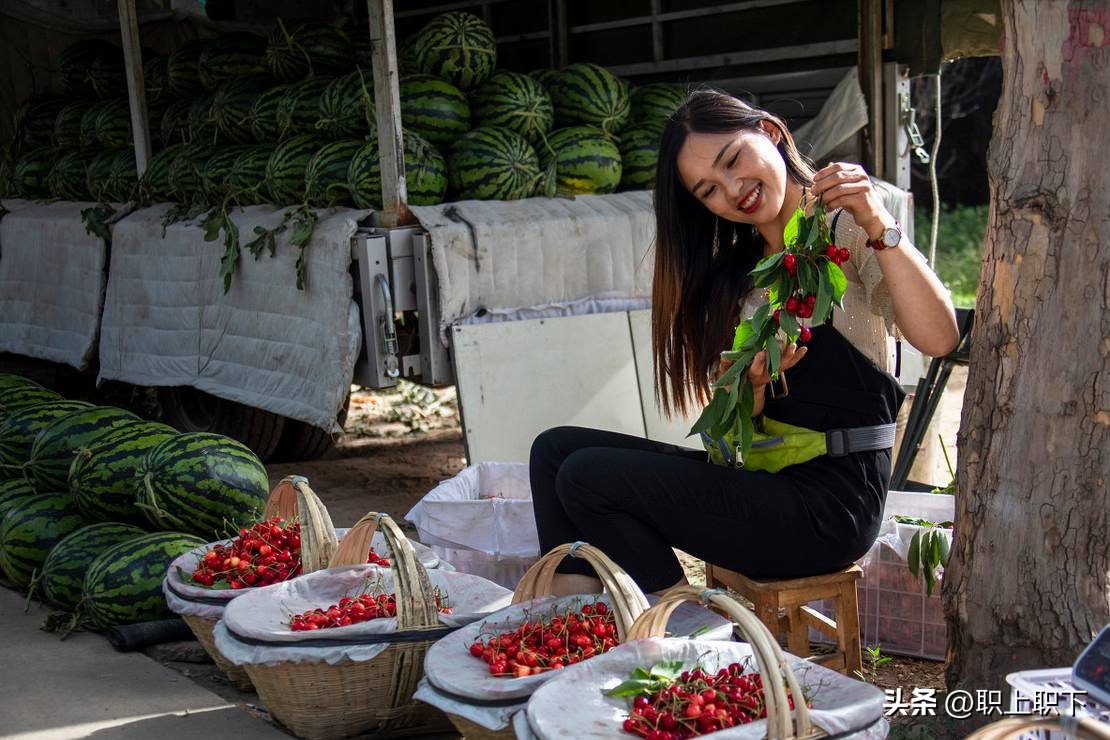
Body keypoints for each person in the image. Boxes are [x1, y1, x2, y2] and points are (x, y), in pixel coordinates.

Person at [529, 90, 959, 596]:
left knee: (587, 475)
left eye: (733, 160)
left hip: (831, 508)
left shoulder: (844, 226)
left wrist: (879, 224)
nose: (733, 190)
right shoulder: (740, 276)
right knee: (555, 452)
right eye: (708, 190)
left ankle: (683, 628)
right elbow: (730, 447)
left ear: (771, 133)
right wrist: (750, 394)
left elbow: (940, 337)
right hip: (766, 484)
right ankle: (569, 624)